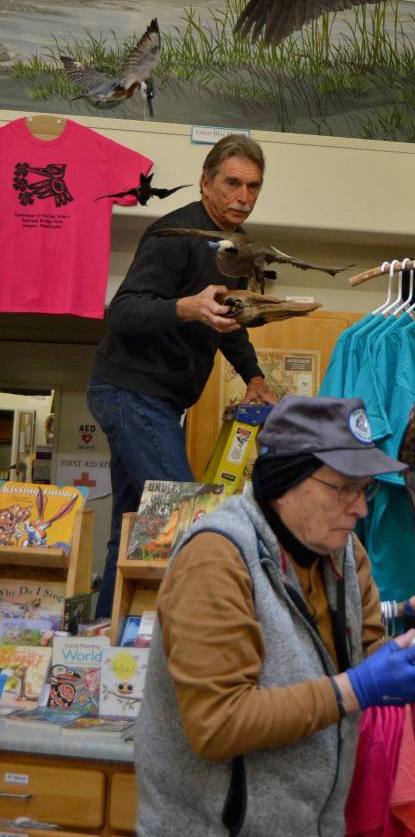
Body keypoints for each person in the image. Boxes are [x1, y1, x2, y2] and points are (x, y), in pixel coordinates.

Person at [136, 395, 415, 837]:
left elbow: (366, 656)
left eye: (366, 489)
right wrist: (351, 691)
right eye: (344, 488)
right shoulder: (216, 559)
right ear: (285, 482)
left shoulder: (343, 555)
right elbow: (217, 723)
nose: (360, 508)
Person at [87, 135, 276, 617]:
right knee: (194, 521)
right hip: (130, 391)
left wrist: (252, 375)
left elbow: (229, 321)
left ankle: (106, 642)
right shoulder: (173, 237)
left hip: (159, 402)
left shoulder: (232, 246)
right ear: (205, 183)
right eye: (232, 183)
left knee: (130, 530)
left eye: (253, 186)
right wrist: (186, 308)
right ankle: (206, 642)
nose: (243, 196)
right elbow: (122, 312)